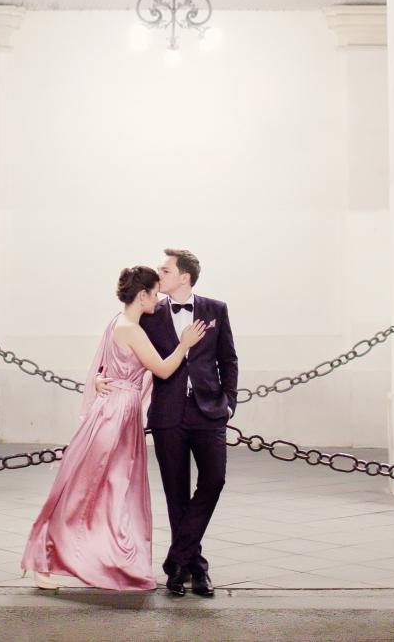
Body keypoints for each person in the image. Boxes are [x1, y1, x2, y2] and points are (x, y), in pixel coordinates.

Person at [20, 264, 206, 592]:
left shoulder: (119, 322)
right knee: (90, 487)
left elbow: (105, 368)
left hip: (119, 411)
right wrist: (184, 344)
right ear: (143, 295)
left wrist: (99, 379)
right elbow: (162, 370)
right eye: (154, 293)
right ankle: (47, 560)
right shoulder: (130, 328)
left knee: (108, 490)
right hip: (116, 415)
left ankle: (101, 559)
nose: (158, 298)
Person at [102, 248, 238, 598]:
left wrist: (230, 403)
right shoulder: (150, 312)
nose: (158, 274)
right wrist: (103, 377)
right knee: (176, 493)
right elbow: (123, 345)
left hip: (209, 411)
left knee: (215, 480)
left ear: (184, 277)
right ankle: (193, 568)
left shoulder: (215, 309)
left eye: (164, 270)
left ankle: (177, 559)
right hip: (167, 414)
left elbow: (228, 359)